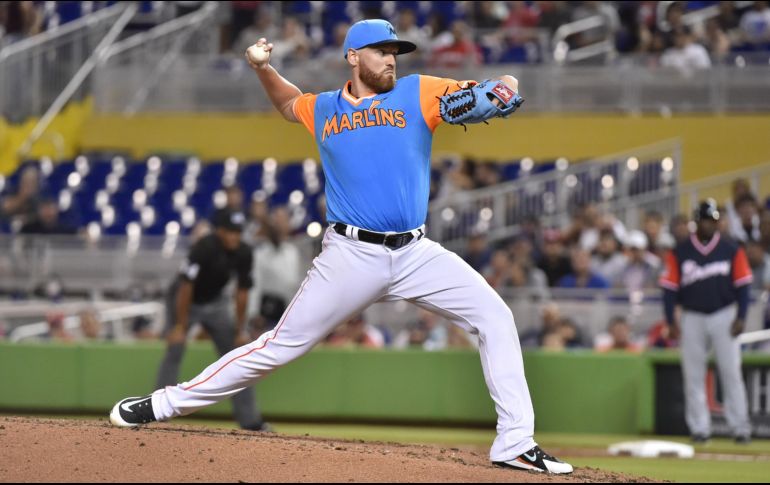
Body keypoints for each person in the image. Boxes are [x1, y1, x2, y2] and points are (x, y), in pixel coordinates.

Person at [109, 19, 572, 474]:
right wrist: (262, 69)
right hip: (351, 256)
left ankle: (515, 443)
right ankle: (163, 404)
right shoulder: (326, 108)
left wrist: (503, 87)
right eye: (381, 51)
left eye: (395, 52)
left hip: (416, 252)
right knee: (279, 346)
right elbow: (289, 103)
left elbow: (500, 84)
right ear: (353, 57)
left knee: (495, 316)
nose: (391, 59)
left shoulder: (419, 91)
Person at [153, 208, 268, 431]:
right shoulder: (204, 247)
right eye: (230, 232)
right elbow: (186, 286)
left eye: (238, 232)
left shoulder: (244, 252)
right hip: (186, 300)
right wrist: (179, 325)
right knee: (175, 349)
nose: (235, 236)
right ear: (220, 231)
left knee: (238, 357)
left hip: (216, 303)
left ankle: (250, 421)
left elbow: (242, 292)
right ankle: (157, 413)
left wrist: (240, 329)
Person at [659, 199, 753, 444]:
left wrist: (742, 316)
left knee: (731, 371)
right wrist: (671, 320)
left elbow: (743, 286)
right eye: (704, 220)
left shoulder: (731, 249)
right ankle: (700, 428)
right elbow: (669, 289)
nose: (709, 225)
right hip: (692, 316)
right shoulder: (680, 251)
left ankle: (740, 428)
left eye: (712, 220)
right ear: (696, 222)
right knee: (693, 374)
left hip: (724, 313)